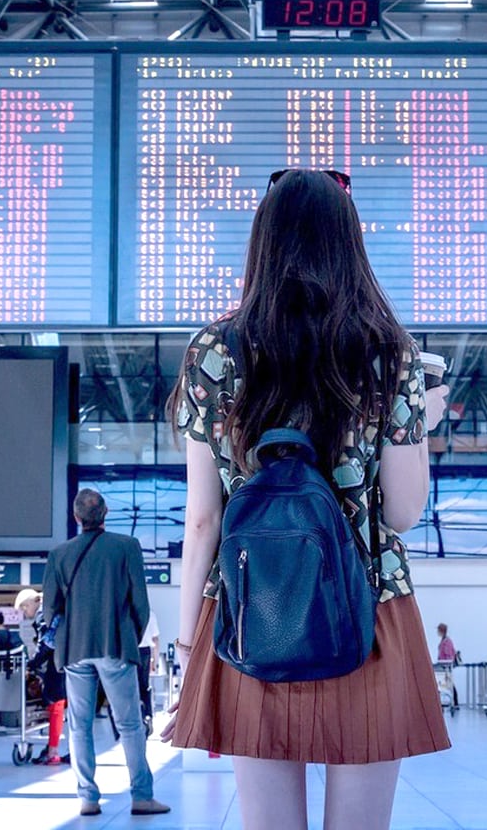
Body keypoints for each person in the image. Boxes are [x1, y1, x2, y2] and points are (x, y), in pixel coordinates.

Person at [163, 169, 451, 830]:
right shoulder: (389, 354)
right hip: (369, 609)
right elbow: (403, 514)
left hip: (248, 608)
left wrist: (187, 639)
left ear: (262, 242)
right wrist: (418, 425)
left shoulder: (214, 351)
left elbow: (203, 517)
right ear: (350, 244)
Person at [44, 488, 168, 818]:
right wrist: (130, 635)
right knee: (129, 725)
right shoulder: (126, 547)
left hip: (74, 650)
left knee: (79, 726)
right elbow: (141, 603)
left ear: (75, 517)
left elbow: (48, 610)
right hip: (116, 644)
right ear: (106, 512)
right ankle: (142, 796)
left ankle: (87, 798)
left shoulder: (59, 554)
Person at [15, 588, 67, 765]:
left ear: (30, 603)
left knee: (55, 703)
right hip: (68, 660)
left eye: (23, 608)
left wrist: (31, 664)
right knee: (63, 705)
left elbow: (47, 642)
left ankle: (53, 751)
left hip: (57, 663)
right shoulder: (55, 608)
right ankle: (56, 748)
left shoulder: (43, 614)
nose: (24, 613)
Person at [138, 611, 160, 734]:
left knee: (131, 687)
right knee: (144, 687)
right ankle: (147, 715)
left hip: (130, 651)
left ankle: (137, 718)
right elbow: (155, 639)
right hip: (145, 653)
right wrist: (154, 661)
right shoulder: (150, 614)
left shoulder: (125, 610)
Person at [436, 623, 459, 710]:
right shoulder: (444, 640)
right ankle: (452, 701)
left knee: (449, 683)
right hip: (443, 665)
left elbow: (448, 654)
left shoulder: (447, 642)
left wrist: (446, 663)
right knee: (447, 683)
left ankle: (455, 702)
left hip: (446, 666)